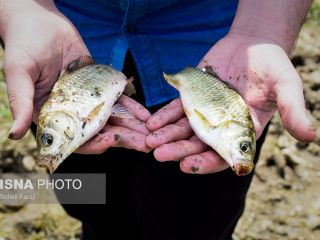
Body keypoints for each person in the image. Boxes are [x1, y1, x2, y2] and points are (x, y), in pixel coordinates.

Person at [0, 0, 316, 239]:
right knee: (89, 198)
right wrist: (24, 8)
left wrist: (262, 31)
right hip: (63, 49)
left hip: (219, 51)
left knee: (195, 220)